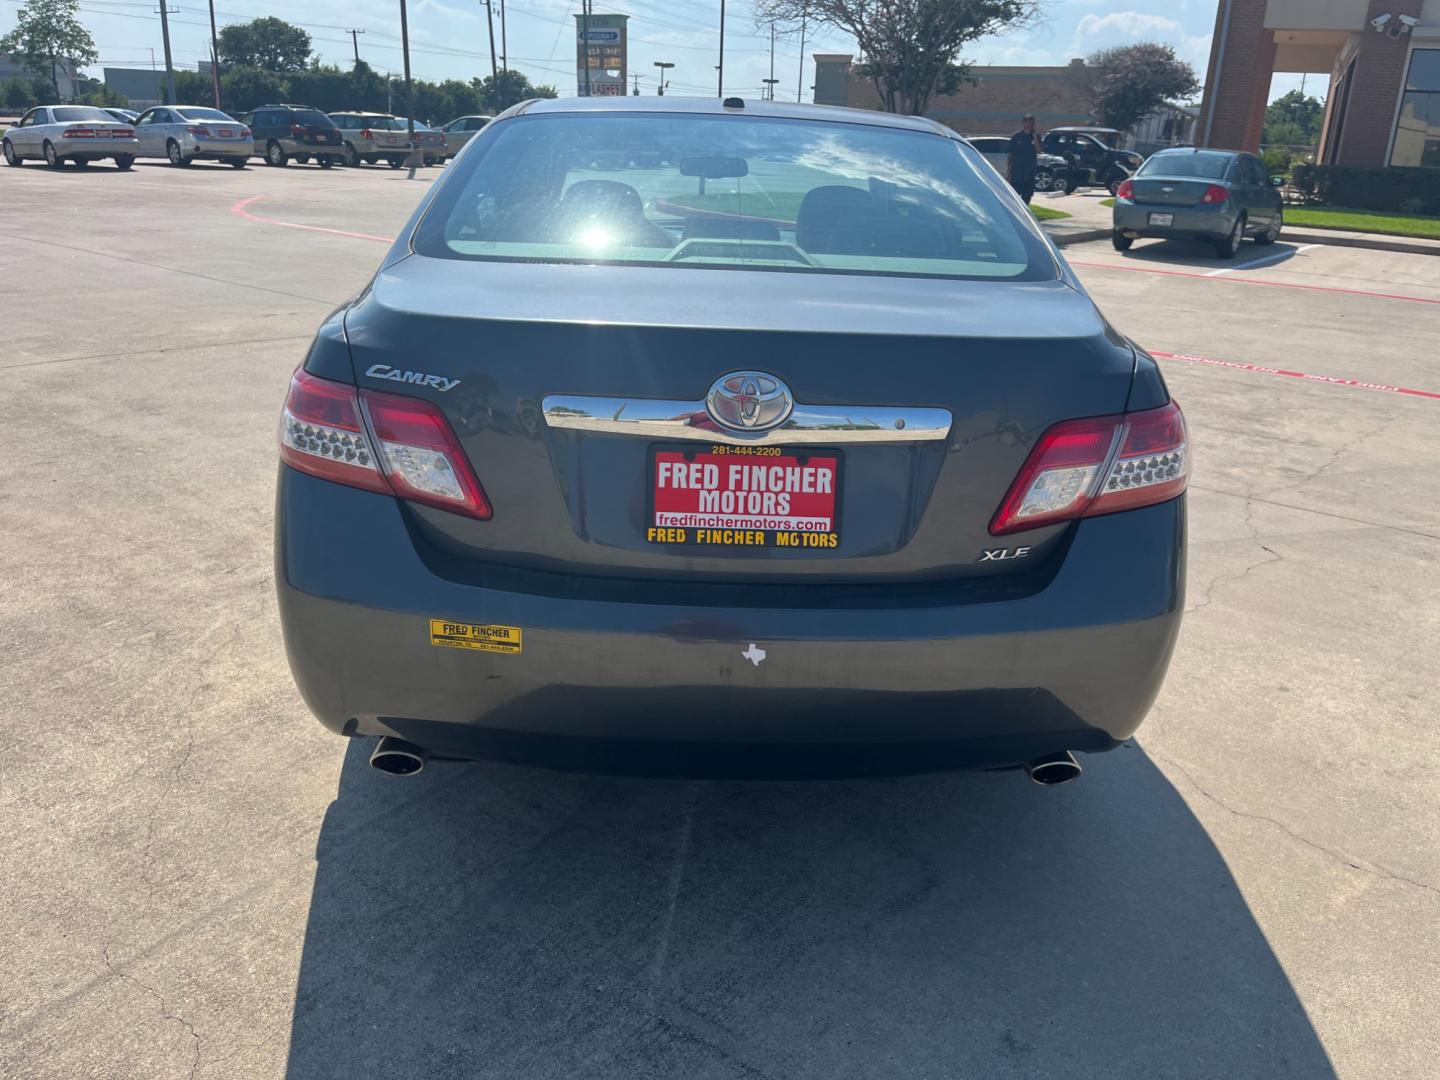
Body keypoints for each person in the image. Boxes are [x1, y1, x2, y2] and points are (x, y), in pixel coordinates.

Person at [1007, 114, 1044, 205]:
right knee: (1014, 198)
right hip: (1017, 172)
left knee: (1027, 197)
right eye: (1026, 123)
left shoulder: (1037, 136)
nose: (1029, 125)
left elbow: (1039, 151)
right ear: (1023, 123)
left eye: (1031, 123)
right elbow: (1010, 155)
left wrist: (1035, 137)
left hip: (1030, 173)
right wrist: (1009, 173)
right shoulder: (1016, 136)